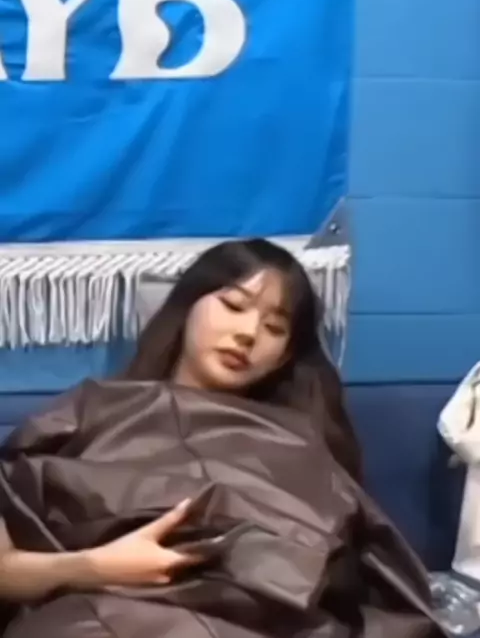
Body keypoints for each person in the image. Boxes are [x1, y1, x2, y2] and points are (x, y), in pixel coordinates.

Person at [0, 239, 444, 638]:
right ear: (188, 305)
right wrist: (97, 567)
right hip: (92, 614)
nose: (248, 333)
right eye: (233, 305)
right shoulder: (88, 413)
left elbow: (355, 584)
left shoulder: (303, 447)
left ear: (283, 357)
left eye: (274, 328)